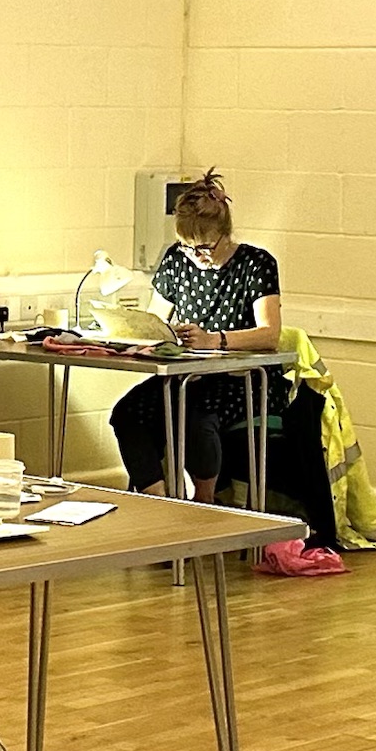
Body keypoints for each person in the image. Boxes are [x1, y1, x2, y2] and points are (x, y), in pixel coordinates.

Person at [110, 170, 284, 503]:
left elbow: (269, 335)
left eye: (204, 248)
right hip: (188, 374)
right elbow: (155, 319)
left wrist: (213, 340)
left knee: (195, 417)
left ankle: (205, 503)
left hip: (241, 378)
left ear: (225, 234)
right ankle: (158, 500)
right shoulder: (177, 261)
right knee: (128, 413)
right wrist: (159, 335)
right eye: (187, 247)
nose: (196, 257)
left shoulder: (256, 264)